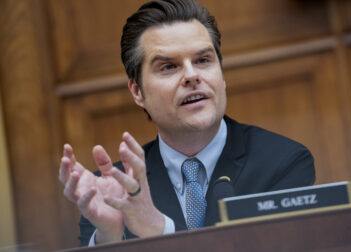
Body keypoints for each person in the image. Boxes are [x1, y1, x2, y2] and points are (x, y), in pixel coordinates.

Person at [58, 0, 315, 247]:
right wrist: (109, 239)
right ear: (137, 92)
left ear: (222, 75)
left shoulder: (283, 162)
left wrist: (160, 231)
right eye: (169, 67)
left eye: (203, 61)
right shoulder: (113, 190)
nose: (192, 76)